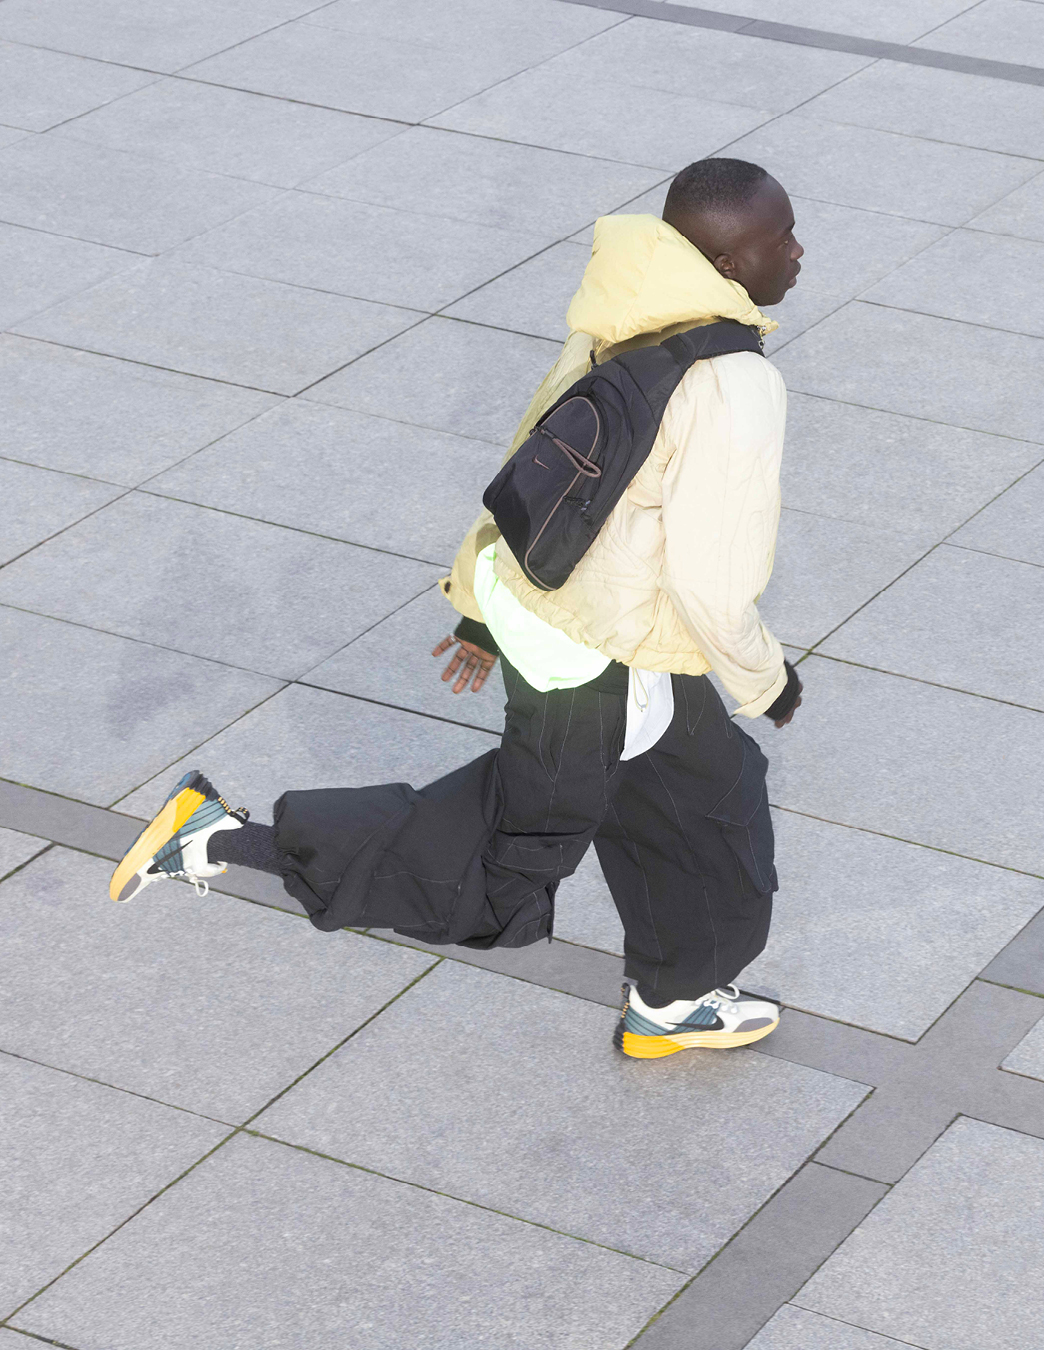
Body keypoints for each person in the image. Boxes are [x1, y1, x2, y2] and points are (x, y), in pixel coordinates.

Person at [109, 158, 804, 1060]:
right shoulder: (732, 380)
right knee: (495, 866)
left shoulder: (624, 309)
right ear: (728, 260)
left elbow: (533, 467)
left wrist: (480, 603)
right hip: (595, 661)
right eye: (781, 237)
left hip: (576, 621)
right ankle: (216, 839)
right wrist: (767, 682)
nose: (798, 251)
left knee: (709, 793)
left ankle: (675, 1001)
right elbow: (713, 579)